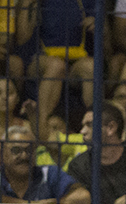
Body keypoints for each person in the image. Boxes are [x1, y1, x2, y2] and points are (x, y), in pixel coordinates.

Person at [15, 0, 96, 130]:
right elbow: (22, 39)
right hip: (38, 59)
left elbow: (104, 38)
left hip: (75, 59)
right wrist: (28, 5)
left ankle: (94, 126)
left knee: (91, 67)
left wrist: (96, 25)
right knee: (56, 66)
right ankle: (41, 127)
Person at [0, 124, 89, 204]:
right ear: (1, 153)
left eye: (29, 150)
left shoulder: (49, 173)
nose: (24, 156)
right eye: (16, 150)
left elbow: (82, 196)